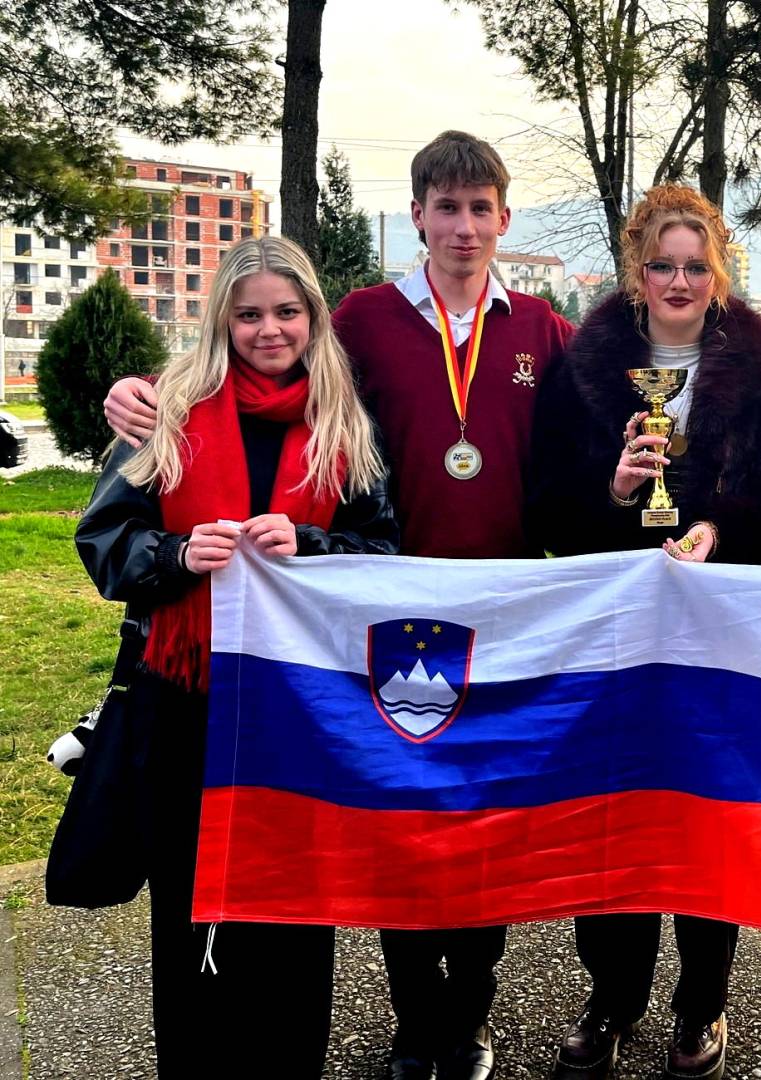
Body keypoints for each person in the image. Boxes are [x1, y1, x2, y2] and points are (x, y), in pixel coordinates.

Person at [103, 131, 575, 1080]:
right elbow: (123, 520)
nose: (465, 226)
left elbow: (572, 457)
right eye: (447, 208)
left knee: (471, 832)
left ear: (503, 218)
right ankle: (410, 1023)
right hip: (330, 644)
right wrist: (133, 403)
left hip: (490, 622)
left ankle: (461, 1017)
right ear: (419, 217)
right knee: (384, 831)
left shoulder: (541, 331)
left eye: (481, 209)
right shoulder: (356, 323)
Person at [75, 236, 397, 1079]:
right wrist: (177, 555)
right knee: (189, 905)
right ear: (222, 319)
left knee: (297, 906)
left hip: (300, 708)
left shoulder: (343, 421)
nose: (268, 330)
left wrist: (312, 545)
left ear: (313, 317)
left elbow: (382, 555)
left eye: (286, 312)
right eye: (249, 314)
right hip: (184, 699)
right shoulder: (167, 409)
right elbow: (104, 544)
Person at [526, 183, 761, 1080]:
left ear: (718, 270)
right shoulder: (583, 368)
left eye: (697, 265)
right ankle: (612, 997)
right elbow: (544, 507)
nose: (680, 281)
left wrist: (720, 528)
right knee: (613, 819)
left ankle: (702, 1002)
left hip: (718, 637)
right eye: (663, 264)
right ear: (637, 269)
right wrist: (614, 490)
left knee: (707, 821)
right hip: (615, 637)